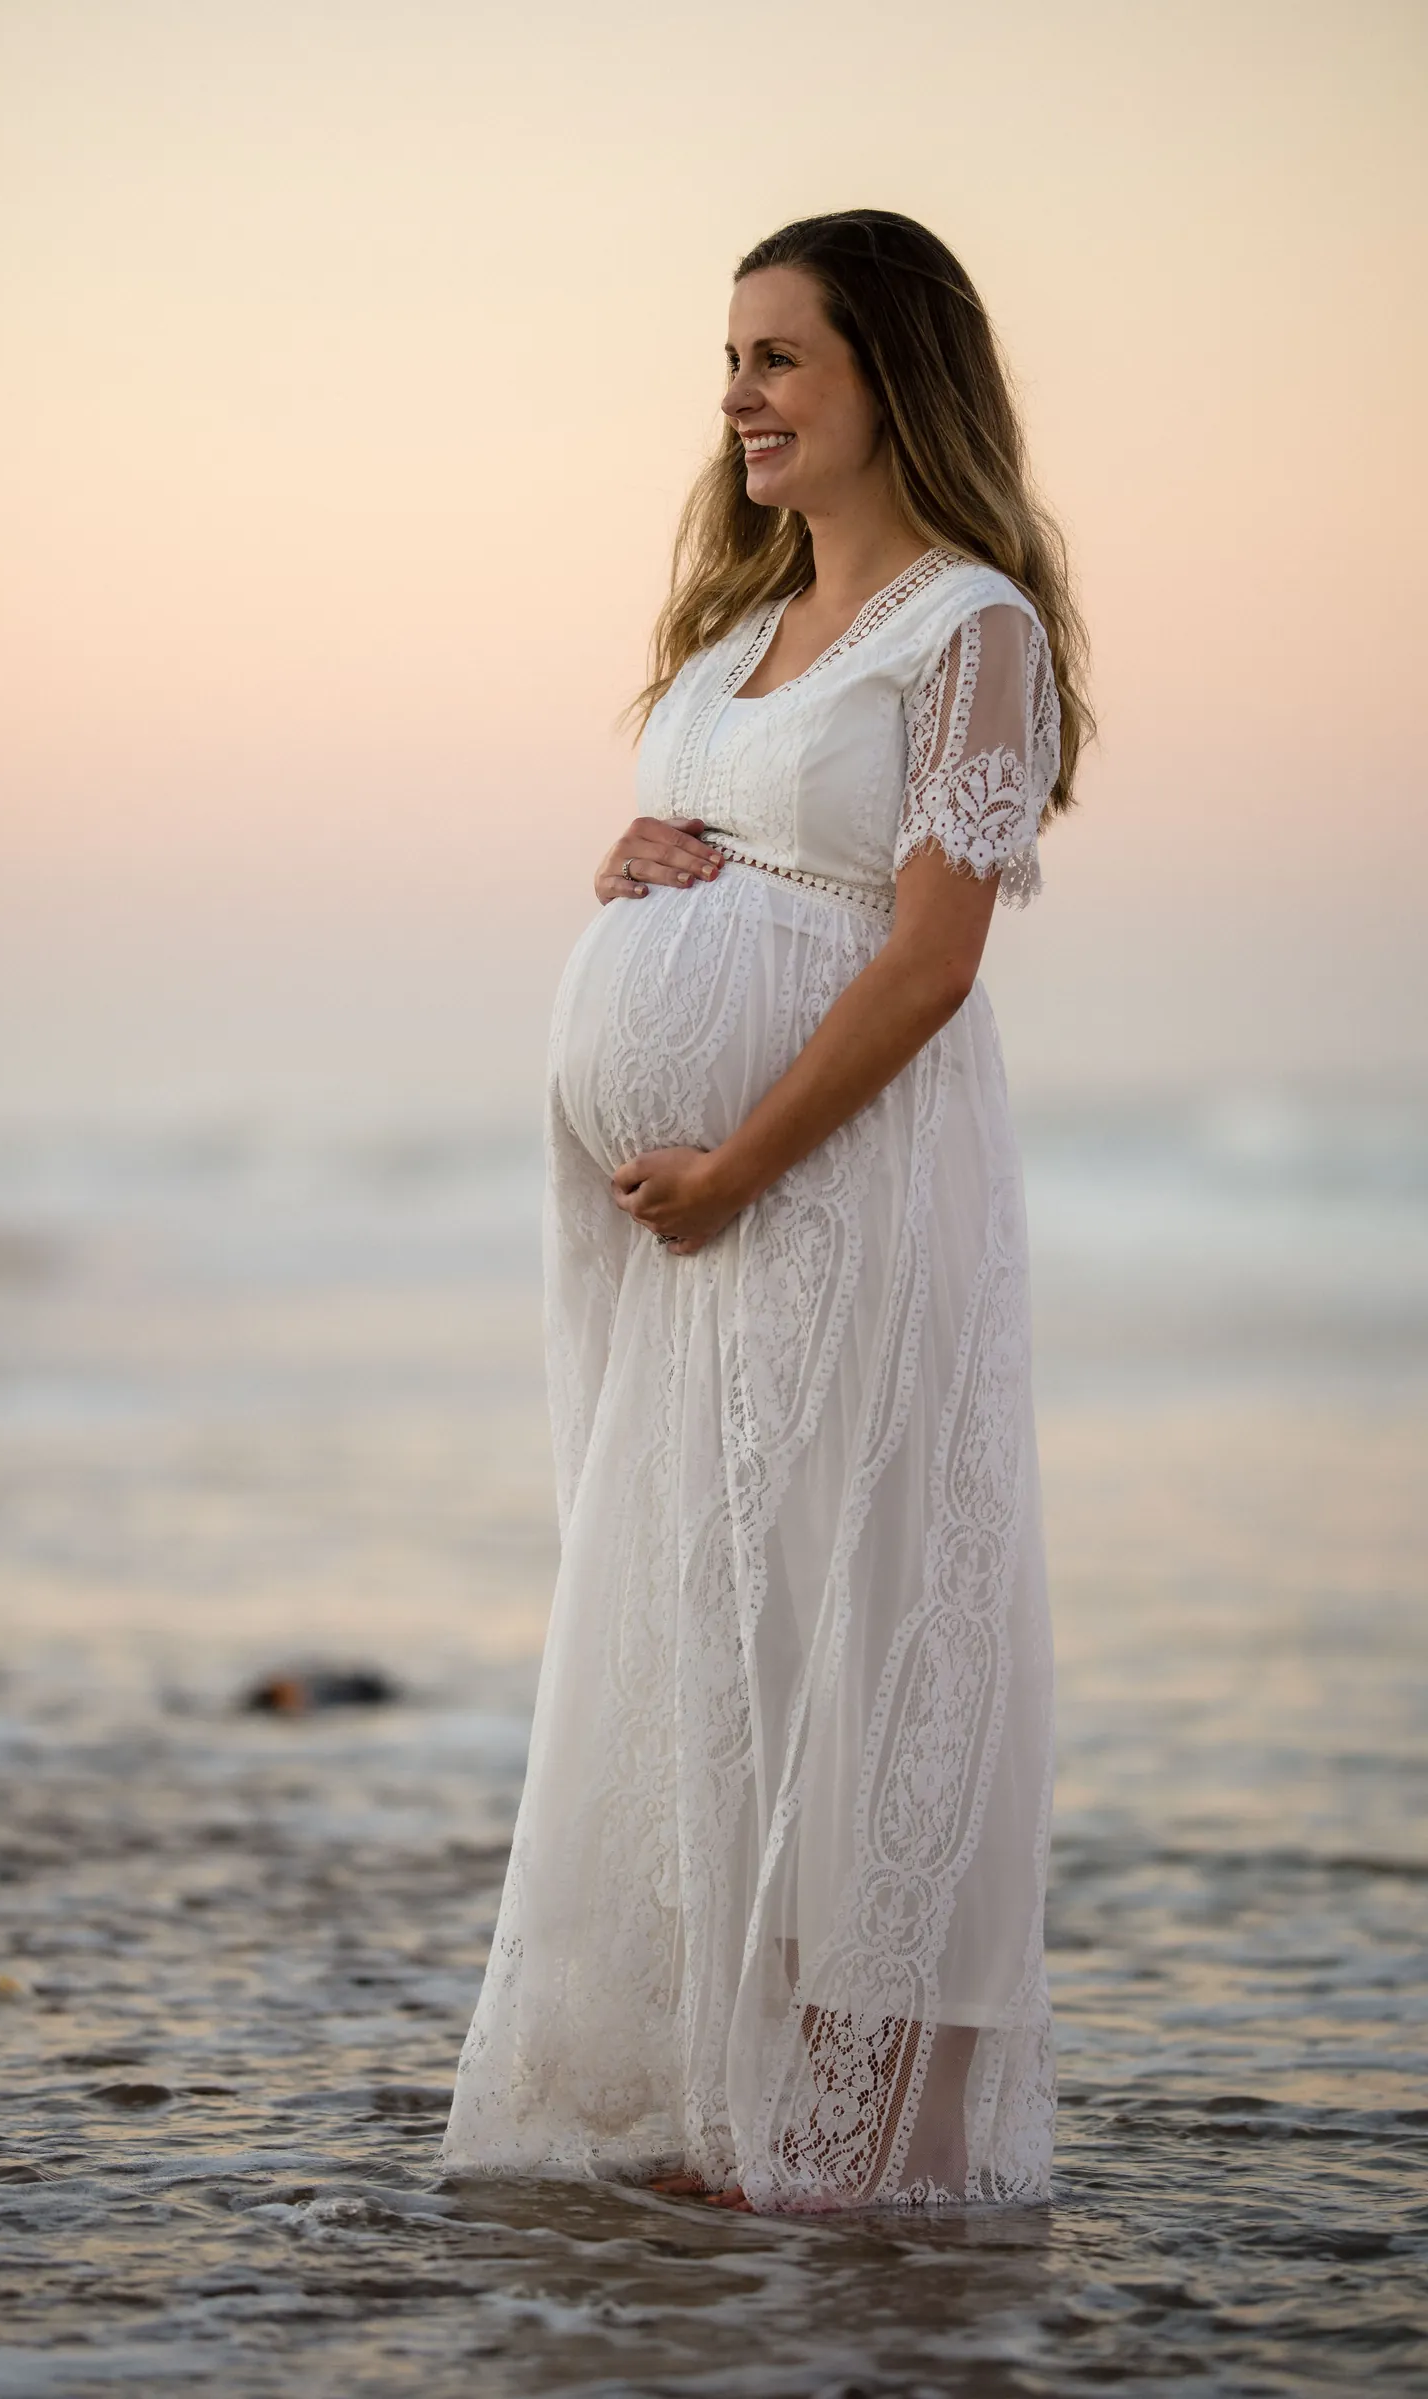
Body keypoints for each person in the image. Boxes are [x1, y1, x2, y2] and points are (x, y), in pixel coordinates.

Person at [440, 209, 1093, 2212]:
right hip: (699, 1248)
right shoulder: (733, 640)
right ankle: (718, 2103)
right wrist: (650, 854)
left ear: (890, 376)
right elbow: (723, 855)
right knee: (713, 1621)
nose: (736, 395)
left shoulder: (963, 625)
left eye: (778, 355)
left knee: (859, 1612)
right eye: (730, 357)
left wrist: (732, 1161)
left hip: (842, 1202)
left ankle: (857, 2148)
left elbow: (924, 957)